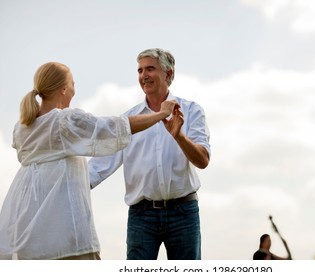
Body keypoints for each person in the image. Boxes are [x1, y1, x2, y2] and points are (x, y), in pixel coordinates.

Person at [0, 62, 178, 260]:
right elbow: (114, 127)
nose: (74, 91)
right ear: (64, 89)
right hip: (65, 233)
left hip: (27, 228)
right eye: (73, 84)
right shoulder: (64, 121)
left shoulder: (21, 128)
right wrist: (161, 114)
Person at [88, 48, 211, 260]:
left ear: (169, 74)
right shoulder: (128, 120)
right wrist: (64, 186)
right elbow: (98, 166)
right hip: (141, 216)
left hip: (184, 212)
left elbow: (203, 160)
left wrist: (179, 136)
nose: (143, 76)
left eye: (150, 69)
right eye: (140, 70)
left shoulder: (191, 111)